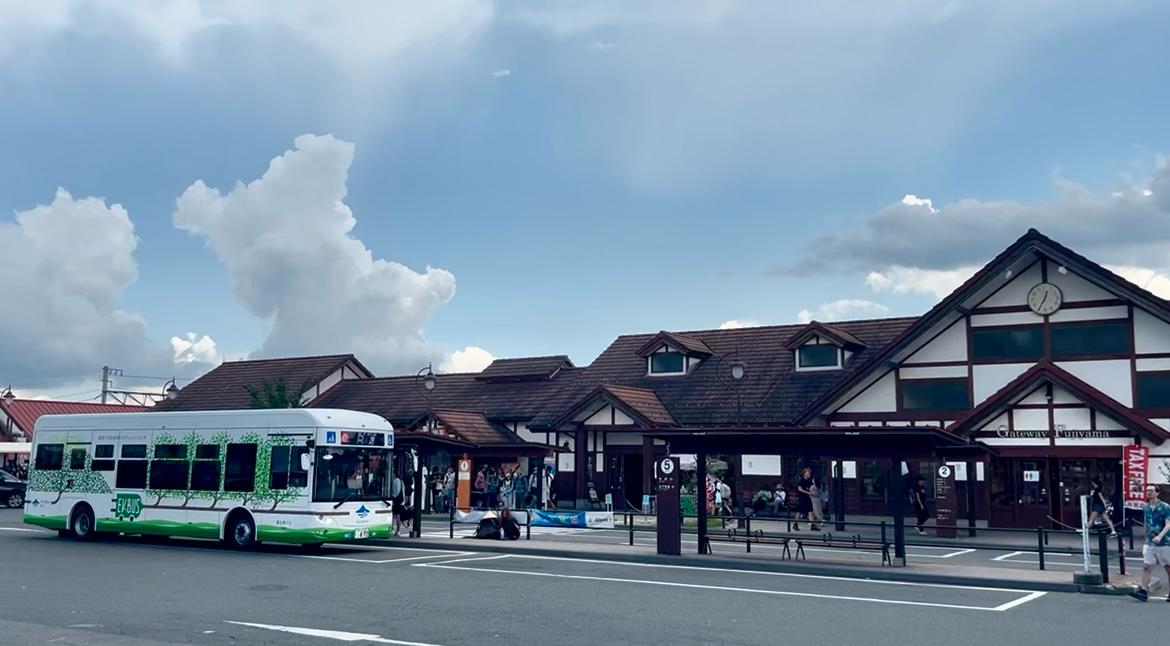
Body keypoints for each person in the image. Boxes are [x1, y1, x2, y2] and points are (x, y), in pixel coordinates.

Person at [1130, 484, 1170, 602]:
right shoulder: (1146, 507)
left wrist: (1160, 536)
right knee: (1146, 565)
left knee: (1168, 567)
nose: (1149, 493)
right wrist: (1145, 535)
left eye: (1151, 491)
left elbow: (1168, 524)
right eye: (1147, 491)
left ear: (1157, 493)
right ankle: (1143, 591)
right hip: (1150, 541)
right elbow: (1147, 522)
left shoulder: (1165, 507)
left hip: (1165, 541)